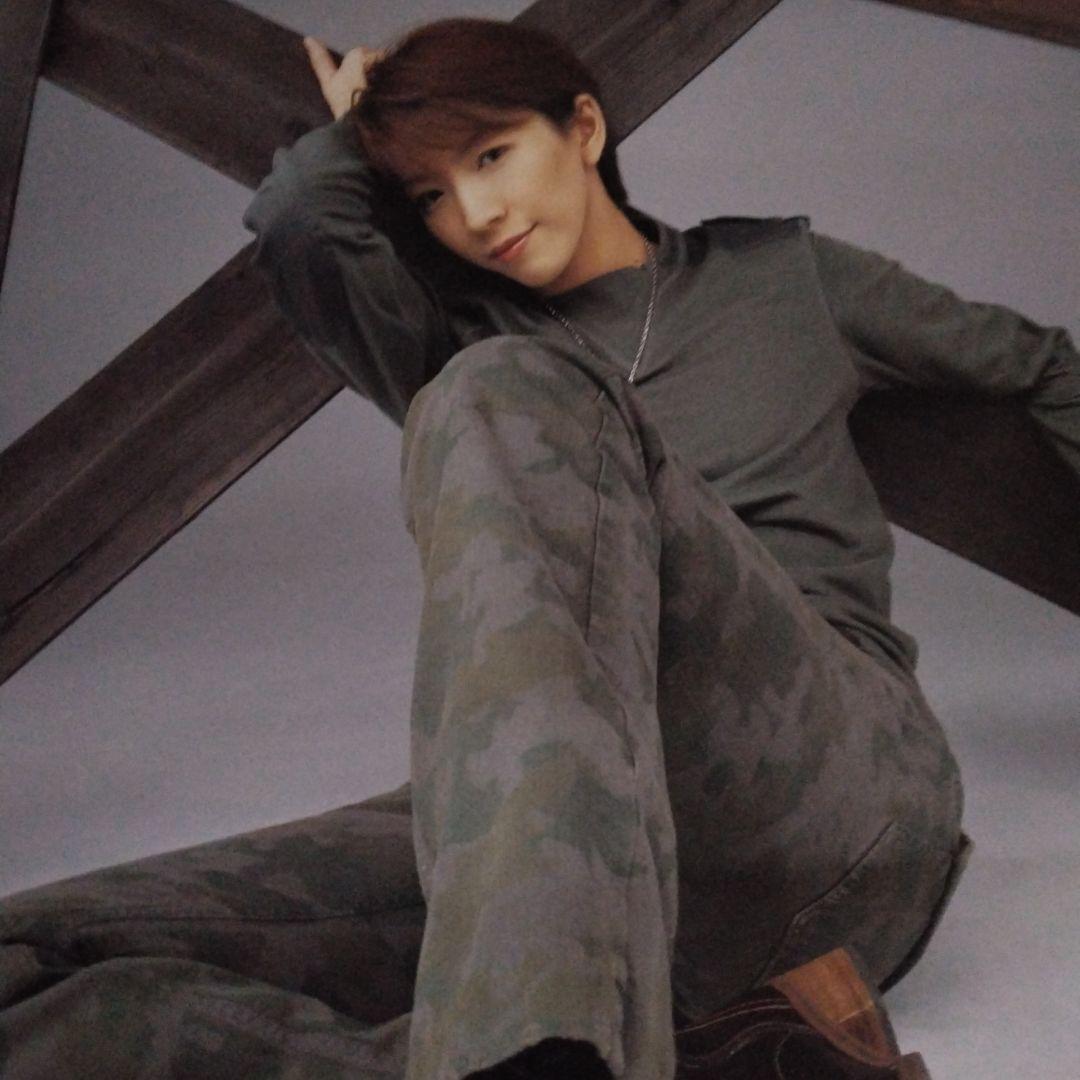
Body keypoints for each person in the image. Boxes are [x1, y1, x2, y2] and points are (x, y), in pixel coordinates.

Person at [1, 14, 1077, 1080]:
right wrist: (349, 141)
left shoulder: (781, 276)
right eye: (430, 195)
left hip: (836, 804)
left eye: (491, 155)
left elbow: (1045, 366)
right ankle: (630, 1062)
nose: (475, 214)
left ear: (585, 129)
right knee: (23, 960)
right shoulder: (458, 340)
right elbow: (299, 223)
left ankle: (540, 1045)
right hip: (564, 842)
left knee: (498, 385)